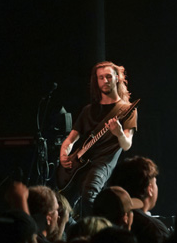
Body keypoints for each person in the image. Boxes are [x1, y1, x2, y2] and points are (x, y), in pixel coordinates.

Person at [58, 62, 138, 217]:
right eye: (101, 77)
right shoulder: (88, 110)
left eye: (109, 76)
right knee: (61, 205)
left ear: (117, 78)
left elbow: (126, 145)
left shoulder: (128, 110)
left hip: (103, 163)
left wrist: (119, 133)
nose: (105, 80)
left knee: (88, 196)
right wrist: (63, 153)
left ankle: (95, 232)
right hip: (79, 164)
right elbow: (70, 140)